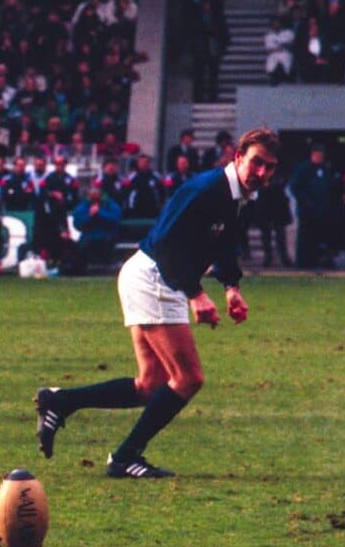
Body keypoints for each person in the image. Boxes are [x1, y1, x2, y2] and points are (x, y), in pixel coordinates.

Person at [35, 128, 280, 478]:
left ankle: (60, 401)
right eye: (256, 162)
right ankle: (125, 457)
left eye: (269, 167)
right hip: (155, 277)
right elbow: (167, 244)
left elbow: (223, 244)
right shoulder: (206, 189)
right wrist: (195, 294)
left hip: (155, 277)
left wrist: (231, 287)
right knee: (189, 377)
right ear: (238, 157)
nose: (262, 173)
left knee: (150, 385)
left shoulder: (238, 197)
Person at [289, 144, 343, 268]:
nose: (319, 158)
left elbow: (333, 188)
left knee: (319, 238)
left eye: (321, 156)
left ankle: (317, 262)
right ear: (312, 155)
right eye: (317, 156)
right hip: (307, 212)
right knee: (304, 238)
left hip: (322, 211)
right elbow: (294, 187)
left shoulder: (327, 169)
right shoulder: (303, 169)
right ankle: (302, 263)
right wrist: (306, 200)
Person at [73, 185, 123, 267]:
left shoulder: (109, 203)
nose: (94, 195)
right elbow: (78, 224)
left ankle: (108, 265)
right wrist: (89, 215)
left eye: (96, 193)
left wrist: (99, 213)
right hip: (88, 235)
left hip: (107, 234)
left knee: (106, 241)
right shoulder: (83, 205)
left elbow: (115, 219)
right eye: (92, 194)